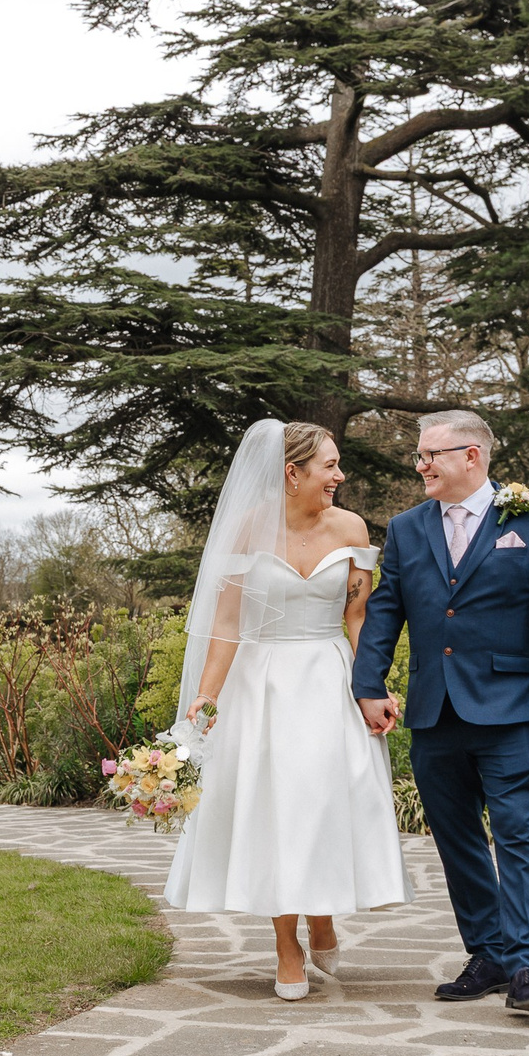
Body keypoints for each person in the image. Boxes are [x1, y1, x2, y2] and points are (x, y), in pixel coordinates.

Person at [164, 420, 413, 999]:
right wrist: (206, 695)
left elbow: (358, 618)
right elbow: (227, 625)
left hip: (328, 677)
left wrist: (370, 686)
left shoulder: (349, 526)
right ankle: (286, 944)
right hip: (263, 684)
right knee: (276, 808)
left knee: (324, 802)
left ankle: (321, 911)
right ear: (291, 472)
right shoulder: (246, 530)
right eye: (329, 465)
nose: (339, 475)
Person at [352, 410, 529, 1015]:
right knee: (456, 839)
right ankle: (488, 954)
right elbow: (386, 610)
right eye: (420, 456)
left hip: (508, 708)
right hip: (434, 709)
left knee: (516, 833)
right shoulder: (406, 528)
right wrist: (368, 681)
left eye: (432, 455)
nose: (422, 465)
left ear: (472, 457)